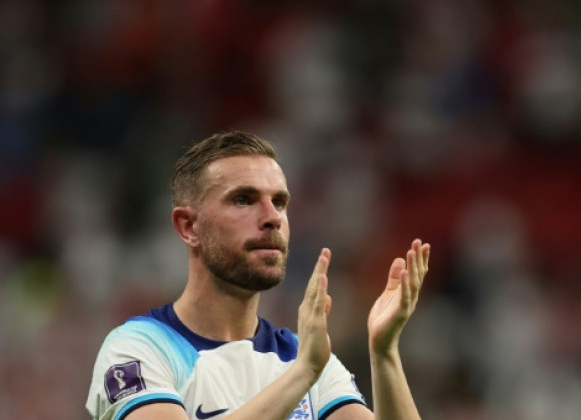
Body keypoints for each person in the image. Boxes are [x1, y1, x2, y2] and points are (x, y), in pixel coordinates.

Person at [85, 130, 431, 420]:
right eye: (243, 200)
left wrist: (384, 353)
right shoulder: (137, 349)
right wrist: (303, 374)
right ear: (189, 226)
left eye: (279, 202)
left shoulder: (301, 355)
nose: (272, 218)